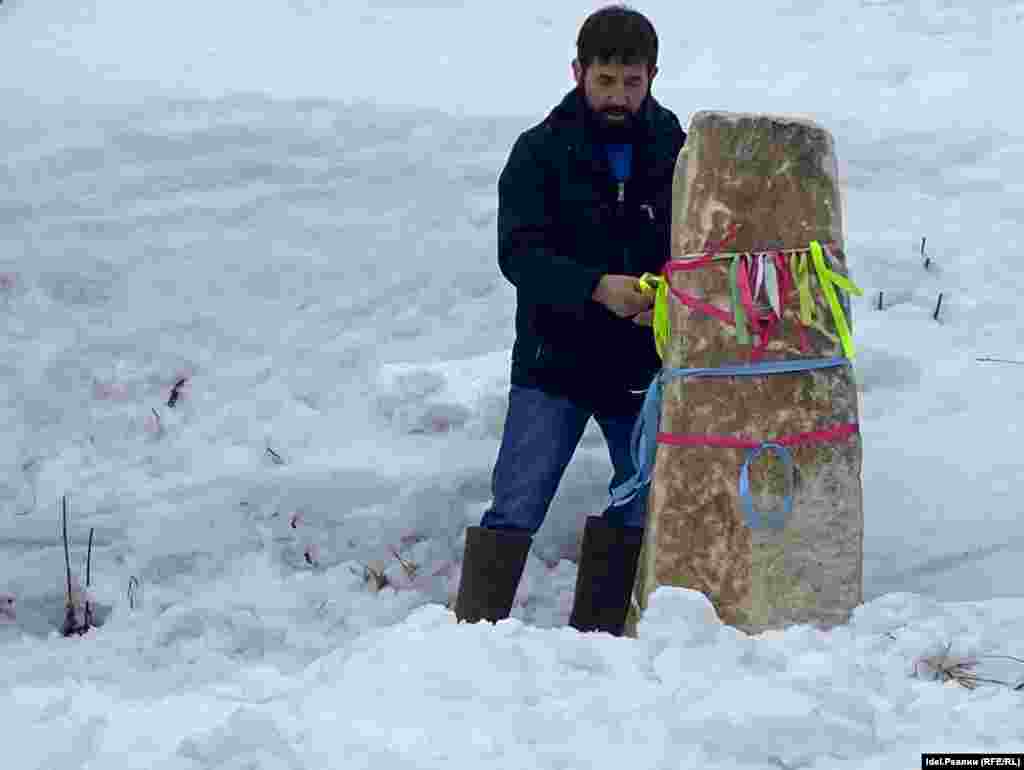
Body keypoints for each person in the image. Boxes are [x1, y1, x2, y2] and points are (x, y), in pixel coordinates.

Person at [454, 5, 686, 636]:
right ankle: (471, 640)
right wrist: (593, 287)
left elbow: (697, 249)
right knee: (517, 501)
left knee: (639, 503)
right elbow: (518, 254)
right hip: (552, 363)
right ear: (579, 72)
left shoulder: (680, 153)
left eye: (631, 83)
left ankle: (600, 645)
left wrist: (667, 295)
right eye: (605, 81)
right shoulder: (539, 151)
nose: (618, 95)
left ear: (652, 76)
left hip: (639, 366)